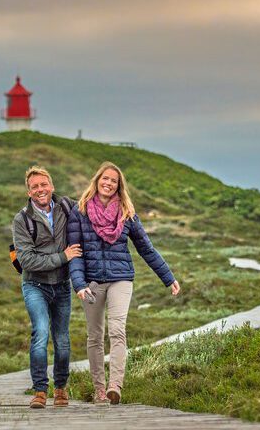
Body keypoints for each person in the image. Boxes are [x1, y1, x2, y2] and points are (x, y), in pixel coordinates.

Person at [67, 161, 181, 405]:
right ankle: (99, 389)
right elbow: (74, 252)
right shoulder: (80, 211)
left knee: (117, 330)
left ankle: (114, 386)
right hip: (91, 282)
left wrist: (168, 277)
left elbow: (146, 249)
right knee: (95, 336)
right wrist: (79, 284)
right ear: (97, 181)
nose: (108, 183)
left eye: (114, 181)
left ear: (119, 186)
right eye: (105, 179)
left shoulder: (127, 212)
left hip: (121, 279)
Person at [12, 166, 82, 409]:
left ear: (51, 186)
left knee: (62, 340)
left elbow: (92, 209)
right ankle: (40, 391)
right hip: (35, 285)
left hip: (62, 285)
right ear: (29, 192)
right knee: (40, 333)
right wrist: (63, 257)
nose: (40, 189)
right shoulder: (22, 220)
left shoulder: (67, 206)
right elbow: (27, 261)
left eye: (44, 185)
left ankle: (60, 388)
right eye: (35, 187)